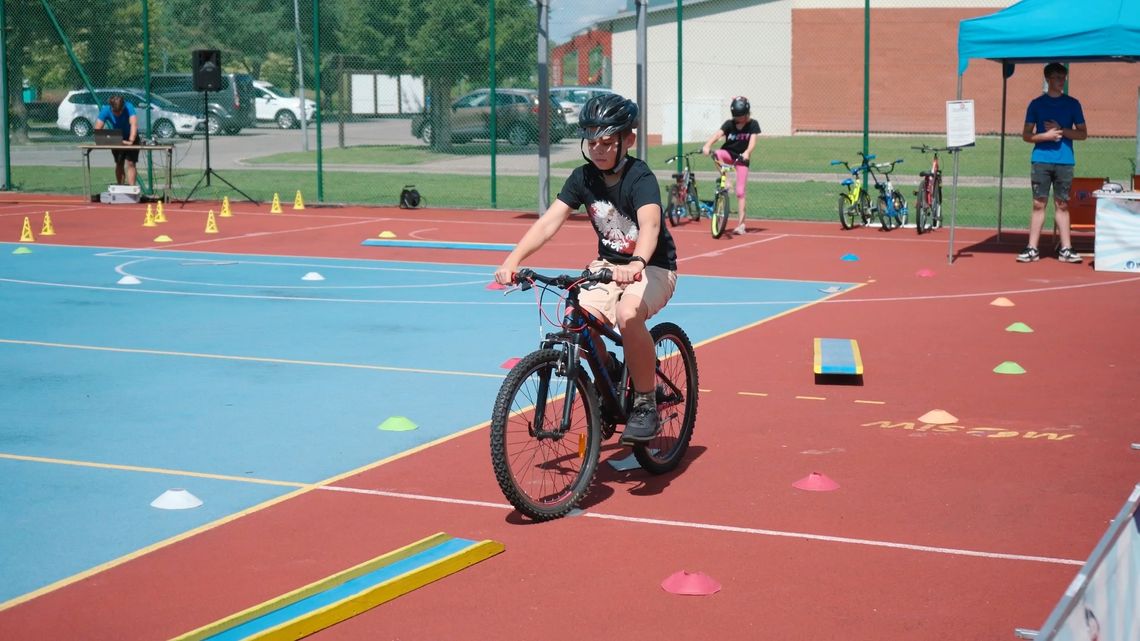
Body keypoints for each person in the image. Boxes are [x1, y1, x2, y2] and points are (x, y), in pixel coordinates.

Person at [494, 93, 678, 445]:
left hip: (653, 265)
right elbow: (549, 222)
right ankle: (610, 372)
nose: (598, 149)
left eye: (607, 142)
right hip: (607, 266)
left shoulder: (640, 177)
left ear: (628, 140)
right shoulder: (583, 178)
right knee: (576, 317)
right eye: (592, 141)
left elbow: (650, 226)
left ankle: (644, 403)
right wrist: (513, 260)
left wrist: (637, 262)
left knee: (628, 313)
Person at [1019, 62, 1087, 263]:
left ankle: (1066, 249)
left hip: (1065, 161)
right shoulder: (1036, 104)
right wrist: (1046, 136)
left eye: (1063, 77)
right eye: (1057, 77)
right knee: (1038, 203)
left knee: (1062, 204)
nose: (1061, 81)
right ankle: (1032, 248)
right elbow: (1026, 135)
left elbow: (1083, 134)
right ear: (1048, 79)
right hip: (1041, 160)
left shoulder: (1073, 104)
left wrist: (1062, 130)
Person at [701, 96, 760, 236]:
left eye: (741, 116)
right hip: (728, 154)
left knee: (740, 192)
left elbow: (752, 142)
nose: (739, 119)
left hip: (742, 159)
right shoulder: (729, 124)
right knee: (717, 154)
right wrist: (708, 145)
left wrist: (747, 152)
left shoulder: (753, 125)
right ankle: (726, 180)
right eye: (737, 116)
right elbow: (718, 135)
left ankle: (741, 224)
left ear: (747, 114)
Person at [94, 94, 140, 186]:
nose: (118, 113)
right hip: (117, 137)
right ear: (111, 107)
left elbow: (134, 124)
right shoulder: (106, 110)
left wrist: (131, 141)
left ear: (123, 106)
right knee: (119, 163)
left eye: (120, 111)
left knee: (131, 163)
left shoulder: (129, 107)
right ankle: (120, 187)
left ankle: (132, 189)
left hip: (131, 136)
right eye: (115, 111)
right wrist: (115, 140)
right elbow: (97, 130)